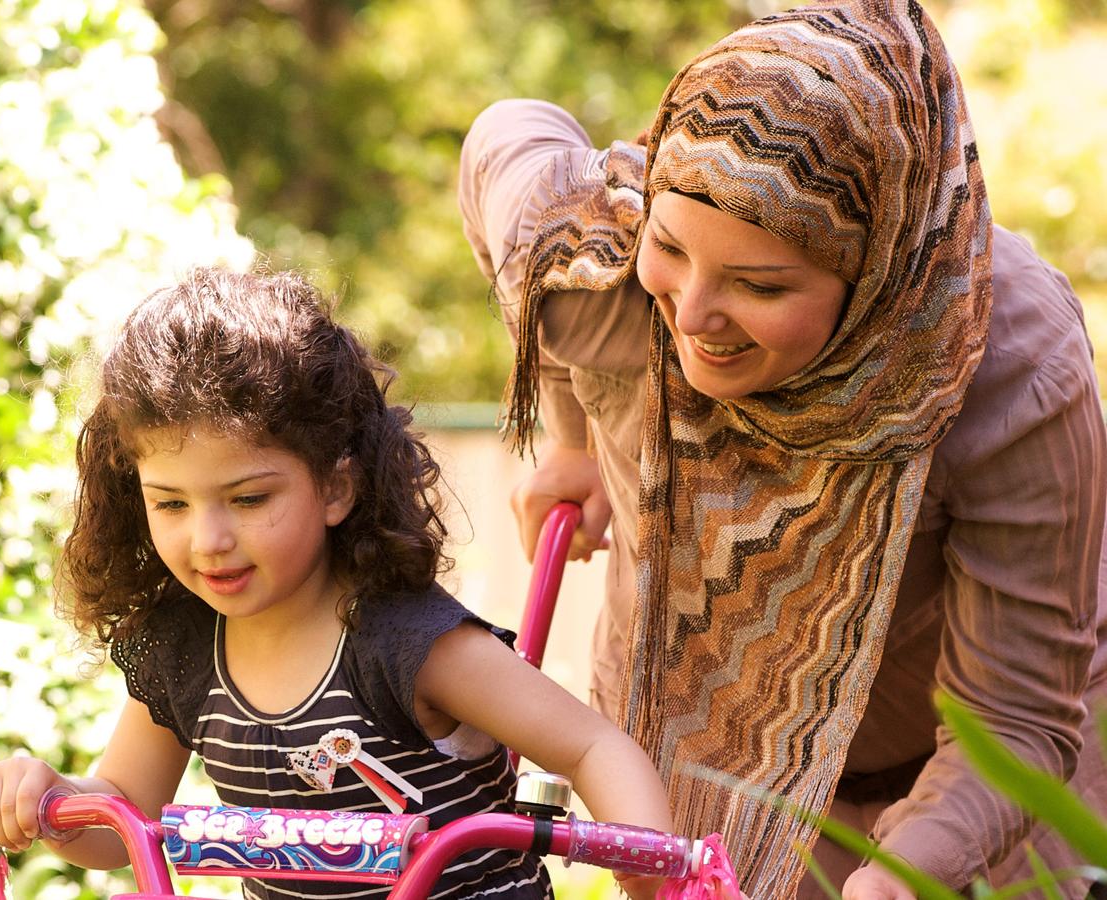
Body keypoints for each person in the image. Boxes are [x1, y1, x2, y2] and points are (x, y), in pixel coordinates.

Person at [457, 1, 1107, 898]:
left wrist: (890, 882)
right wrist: (569, 436)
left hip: (963, 793)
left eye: (759, 284)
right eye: (671, 249)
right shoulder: (601, 270)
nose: (689, 316)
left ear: (875, 270)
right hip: (686, 759)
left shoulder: (1007, 363)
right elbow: (504, 132)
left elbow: (1016, 717)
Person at [0, 268, 676, 900]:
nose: (208, 540)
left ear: (335, 487)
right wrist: (51, 799)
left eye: (248, 500)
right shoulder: (183, 646)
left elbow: (592, 746)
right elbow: (123, 806)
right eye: (171, 503)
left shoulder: (406, 641)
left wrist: (653, 875)